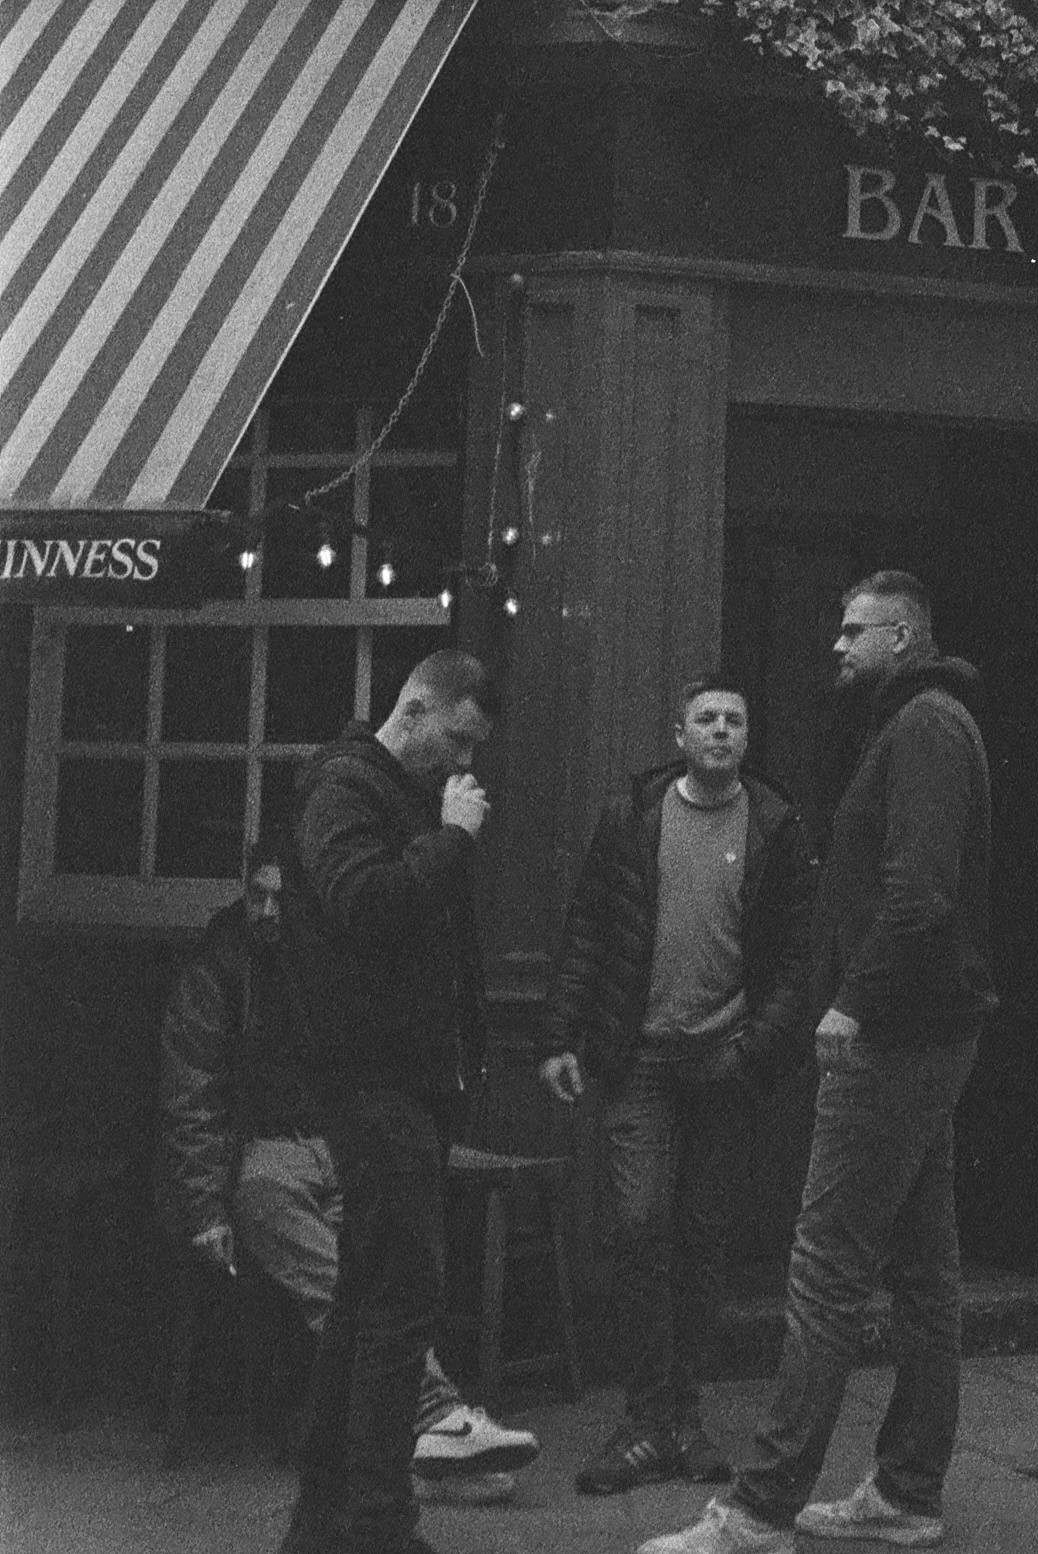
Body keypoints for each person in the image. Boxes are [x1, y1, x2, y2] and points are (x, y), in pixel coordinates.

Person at [642, 571, 994, 1554]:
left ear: (902, 635)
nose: (835, 646)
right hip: (930, 1028)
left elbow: (918, 893)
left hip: (896, 1035)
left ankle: (757, 1510)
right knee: (924, 1269)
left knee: (825, 1266)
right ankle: (908, 1491)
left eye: (852, 630)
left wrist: (849, 1000)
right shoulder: (919, 723)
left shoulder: (922, 726)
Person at [156, 841, 537, 1497]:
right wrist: (203, 1209)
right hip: (261, 1152)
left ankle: (411, 1455)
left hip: (341, 1144)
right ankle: (436, 1414)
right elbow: (190, 1093)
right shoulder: (216, 967)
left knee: (382, 1263)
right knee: (327, 1267)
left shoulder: (326, 958)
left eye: (282, 896)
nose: (269, 910)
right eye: (257, 896)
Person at [539, 673, 815, 1496]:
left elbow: (799, 960)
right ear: (680, 734)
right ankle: (643, 1418)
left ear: (746, 738)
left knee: (701, 1241)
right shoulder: (632, 818)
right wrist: (559, 1035)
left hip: (723, 1060)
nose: (722, 731)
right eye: (707, 719)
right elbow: (589, 924)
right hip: (641, 1058)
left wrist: (753, 1049)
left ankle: (683, 1418)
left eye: (735, 719)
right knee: (637, 1225)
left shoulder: (774, 824)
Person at [278, 649, 498, 1554]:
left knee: (369, 1300)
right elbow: (364, 905)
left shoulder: (392, 794)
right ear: (413, 708)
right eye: (455, 739)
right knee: (402, 1300)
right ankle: (376, 1524)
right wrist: (450, 841)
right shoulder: (343, 788)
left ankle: (326, 1522)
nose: (463, 765)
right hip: (372, 1085)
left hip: (398, 1084)